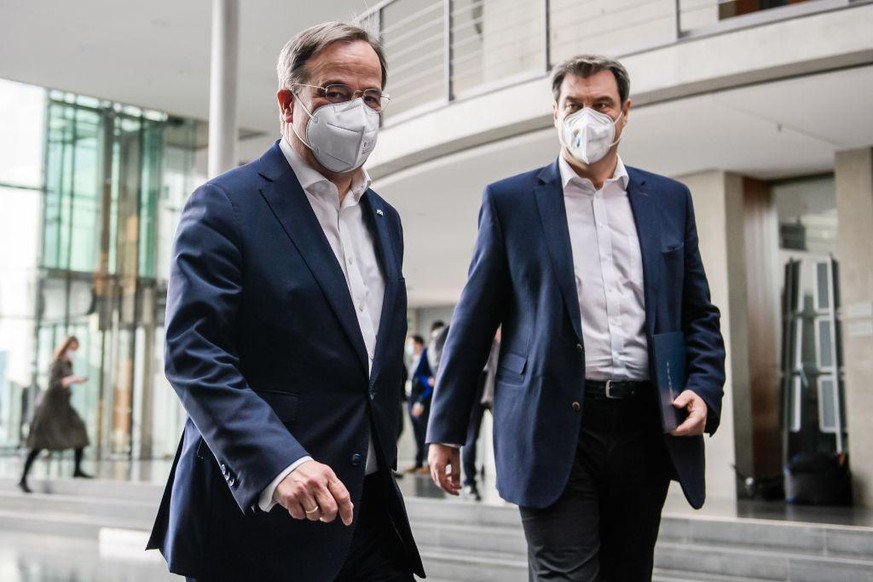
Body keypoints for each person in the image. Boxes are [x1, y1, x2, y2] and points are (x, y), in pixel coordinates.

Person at [426, 54, 726, 581]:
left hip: (643, 424)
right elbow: (472, 324)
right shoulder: (510, 202)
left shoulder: (669, 200)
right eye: (575, 104)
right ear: (556, 113)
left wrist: (704, 386)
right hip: (551, 422)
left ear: (625, 113)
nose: (587, 116)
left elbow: (696, 312)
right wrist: (446, 429)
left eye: (601, 104)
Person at [146, 22, 423, 581]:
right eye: (334, 92)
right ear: (287, 102)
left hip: (366, 510)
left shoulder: (384, 218)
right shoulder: (226, 205)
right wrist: (280, 462)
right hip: (260, 514)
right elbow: (194, 354)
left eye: (370, 97)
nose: (356, 111)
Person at [18, 335, 92, 493]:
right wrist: (70, 380)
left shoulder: (68, 364)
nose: (73, 352)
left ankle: (77, 469)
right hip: (50, 409)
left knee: (79, 431)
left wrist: (73, 381)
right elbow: (53, 385)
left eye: (75, 349)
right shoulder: (56, 364)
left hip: (64, 408)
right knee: (38, 444)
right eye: (71, 348)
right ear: (65, 348)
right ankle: (23, 478)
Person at [460, 330, 500, 501]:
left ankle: (506, 482)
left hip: (496, 387)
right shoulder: (473, 335)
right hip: (476, 386)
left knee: (504, 437)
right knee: (470, 438)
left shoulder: (500, 340)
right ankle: (469, 482)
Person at [403, 335, 433, 474]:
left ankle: (429, 464)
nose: (410, 347)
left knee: (425, 432)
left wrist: (421, 402)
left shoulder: (426, 356)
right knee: (417, 433)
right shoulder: (412, 359)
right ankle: (418, 462)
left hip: (422, 399)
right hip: (411, 397)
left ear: (419, 344)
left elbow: (430, 381)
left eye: (412, 344)